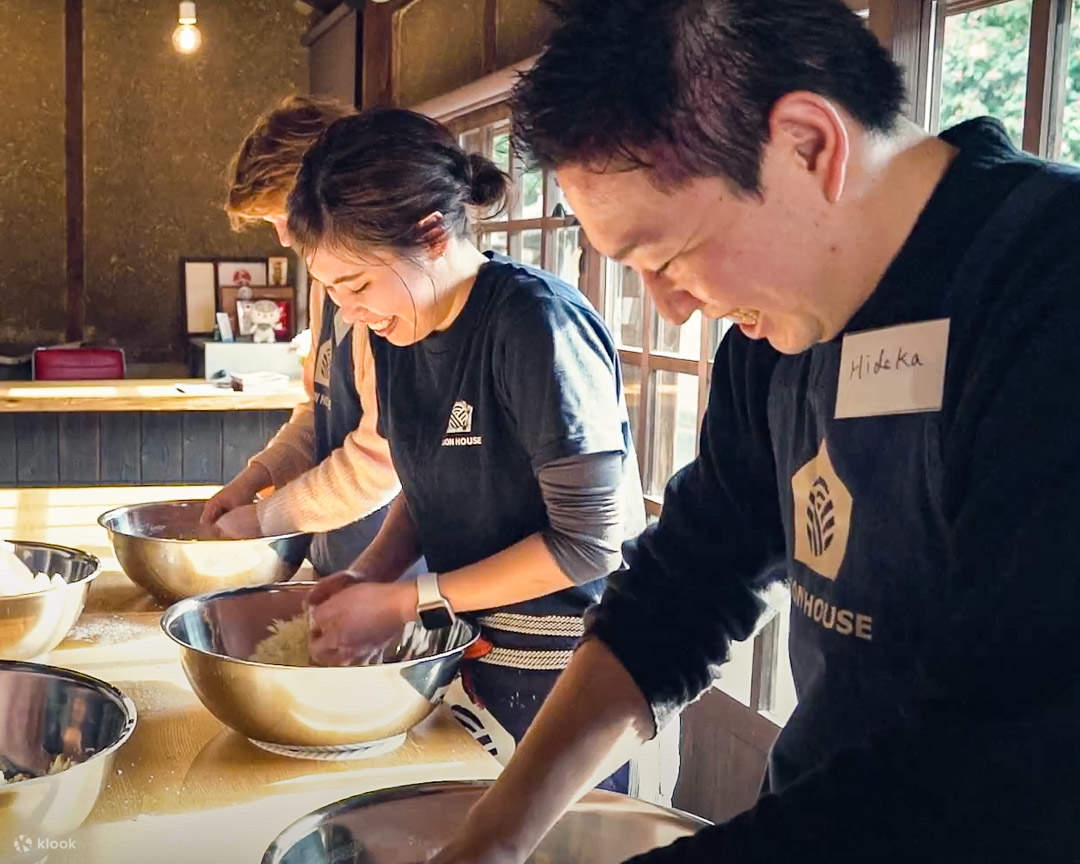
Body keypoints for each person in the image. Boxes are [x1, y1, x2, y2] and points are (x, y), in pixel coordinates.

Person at [428, 0, 1080, 861]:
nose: (671, 305)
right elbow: (680, 594)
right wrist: (493, 839)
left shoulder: (1047, 289)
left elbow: (1014, 763)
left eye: (667, 256)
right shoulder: (775, 339)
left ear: (809, 144)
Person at [287, 107, 661, 794]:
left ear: (432, 235)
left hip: (572, 668)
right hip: (473, 655)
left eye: (358, 284)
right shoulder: (394, 333)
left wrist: (407, 603)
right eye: (332, 291)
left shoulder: (535, 323)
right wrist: (375, 572)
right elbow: (430, 484)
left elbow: (592, 542)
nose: (349, 311)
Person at [203, 96, 411, 579]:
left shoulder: (386, 298)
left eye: (281, 215)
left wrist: (261, 518)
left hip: (391, 572)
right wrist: (256, 477)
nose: (281, 237)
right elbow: (317, 412)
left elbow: (382, 462)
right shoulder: (325, 286)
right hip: (336, 554)